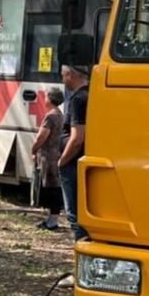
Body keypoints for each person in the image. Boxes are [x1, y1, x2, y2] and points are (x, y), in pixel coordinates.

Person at [58, 64, 89, 242]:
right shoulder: (92, 93)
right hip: (84, 161)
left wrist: (62, 160)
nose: (62, 79)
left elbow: (77, 138)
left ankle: (80, 249)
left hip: (73, 163)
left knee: (74, 215)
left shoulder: (78, 99)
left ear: (70, 75)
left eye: (63, 75)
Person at [30, 86, 65, 230]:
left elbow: (41, 137)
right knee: (55, 187)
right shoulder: (61, 115)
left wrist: (34, 149)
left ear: (50, 99)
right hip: (58, 154)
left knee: (51, 188)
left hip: (49, 156)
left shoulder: (50, 116)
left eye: (46, 97)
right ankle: (52, 218)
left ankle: (52, 220)